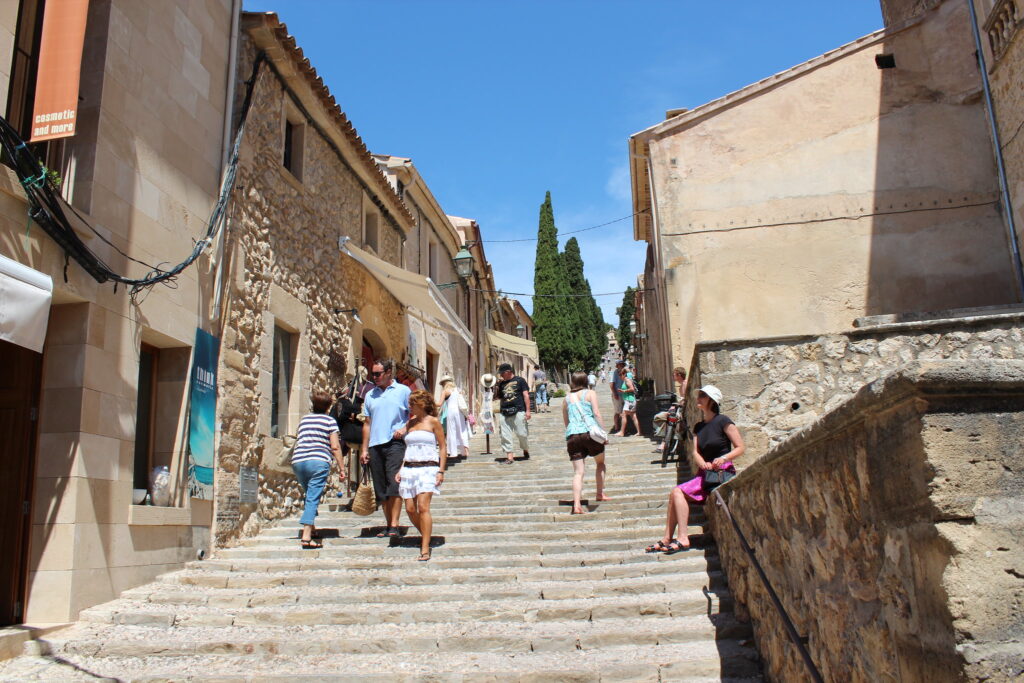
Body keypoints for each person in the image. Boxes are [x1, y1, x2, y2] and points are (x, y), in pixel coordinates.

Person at [645, 385, 745, 554]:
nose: (698, 398)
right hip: (705, 473)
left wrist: (723, 458)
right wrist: (701, 462)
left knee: (677, 491)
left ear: (712, 401)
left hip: (721, 472)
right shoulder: (699, 426)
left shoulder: (723, 421)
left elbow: (740, 447)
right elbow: (695, 452)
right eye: (699, 395)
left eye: (703, 396)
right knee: (674, 494)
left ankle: (682, 538)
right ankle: (667, 538)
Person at [359, 359, 411, 538]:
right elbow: (367, 423)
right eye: (372, 374)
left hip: (395, 443)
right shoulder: (370, 395)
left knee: (394, 483)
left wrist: (404, 428)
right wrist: (364, 449)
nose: (374, 378)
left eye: (377, 374)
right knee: (381, 489)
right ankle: (389, 524)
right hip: (375, 444)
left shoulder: (403, 391)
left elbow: (414, 415)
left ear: (389, 372)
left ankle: (395, 524)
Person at [396, 390, 447, 561]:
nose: (409, 407)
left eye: (412, 404)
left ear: (422, 405)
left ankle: (425, 547)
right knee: (410, 509)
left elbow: (443, 447)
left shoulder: (434, 422)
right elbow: (408, 449)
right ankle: (427, 533)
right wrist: (400, 469)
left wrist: (441, 470)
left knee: (423, 508)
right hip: (409, 469)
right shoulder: (410, 424)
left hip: (428, 468)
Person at [291, 391, 346, 549]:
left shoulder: (304, 420)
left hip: (298, 461)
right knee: (313, 497)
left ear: (313, 405)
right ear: (329, 407)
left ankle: (312, 528)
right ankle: (307, 536)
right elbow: (335, 446)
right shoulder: (329, 421)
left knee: (309, 494)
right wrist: (342, 468)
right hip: (318, 461)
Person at [562, 371, 610, 515]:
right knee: (600, 463)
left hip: (573, 434)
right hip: (590, 433)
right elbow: (596, 413)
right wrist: (604, 434)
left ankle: (576, 504)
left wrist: (573, 431)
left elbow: (566, 421)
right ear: (585, 381)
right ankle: (600, 493)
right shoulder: (590, 393)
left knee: (578, 472)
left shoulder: (566, 399)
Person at [497, 362, 531, 464]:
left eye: (502, 373)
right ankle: (510, 456)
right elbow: (499, 397)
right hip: (504, 411)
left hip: (518, 410)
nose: (501, 375)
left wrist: (528, 411)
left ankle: (525, 449)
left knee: (522, 433)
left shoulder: (520, 381)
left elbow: (526, 395)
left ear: (508, 372)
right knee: (505, 434)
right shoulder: (502, 384)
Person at [653, 367, 689, 452]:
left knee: (663, 418)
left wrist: (676, 405)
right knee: (659, 417)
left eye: (674, 375)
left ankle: (664, 443)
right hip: (678, 410)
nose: (673, 376)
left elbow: (685, 400)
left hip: (681, 411)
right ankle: (663, 441)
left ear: (679, 375)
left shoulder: (685, 384)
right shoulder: (682, 385)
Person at [437, 375, 471, 460]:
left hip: (451, 412)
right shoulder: (456, 390)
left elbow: (439, 404)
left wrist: (429, 402)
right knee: (462, 430)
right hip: (459, 412)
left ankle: (453, 452)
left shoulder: (445, 391)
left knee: (452, 431)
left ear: (444, 384)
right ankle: (465, 451)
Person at [612, 364, 641, 437]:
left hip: (629, 400)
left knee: (623, 415)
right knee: (633, 416)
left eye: (620, 375)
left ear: (624, 374)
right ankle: (639, 432)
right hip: (630, 400)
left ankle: (622, 432)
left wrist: (624, 391)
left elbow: (632, 389)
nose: (620, 376)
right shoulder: (627, 379)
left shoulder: (627, 380)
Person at [609, 360, 625, 434]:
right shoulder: (614, 373)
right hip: (618, 394)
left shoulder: (625, 372)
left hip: (625, 394)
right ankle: (617, 427)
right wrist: (615, 393)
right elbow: (612, 384)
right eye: (620, 365)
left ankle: (622, 428)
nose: (621, 366)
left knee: (624, 411)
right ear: (617, 365)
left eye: (622, 365)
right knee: (618, 411)